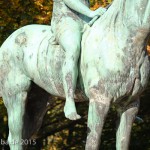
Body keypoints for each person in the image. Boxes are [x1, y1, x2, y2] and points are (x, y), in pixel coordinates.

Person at [51, 0, 106, 120]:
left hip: (88, 20)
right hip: (66, 19)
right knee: (73, 48)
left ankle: (123, 98)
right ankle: (69, 101)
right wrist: (90, 13)